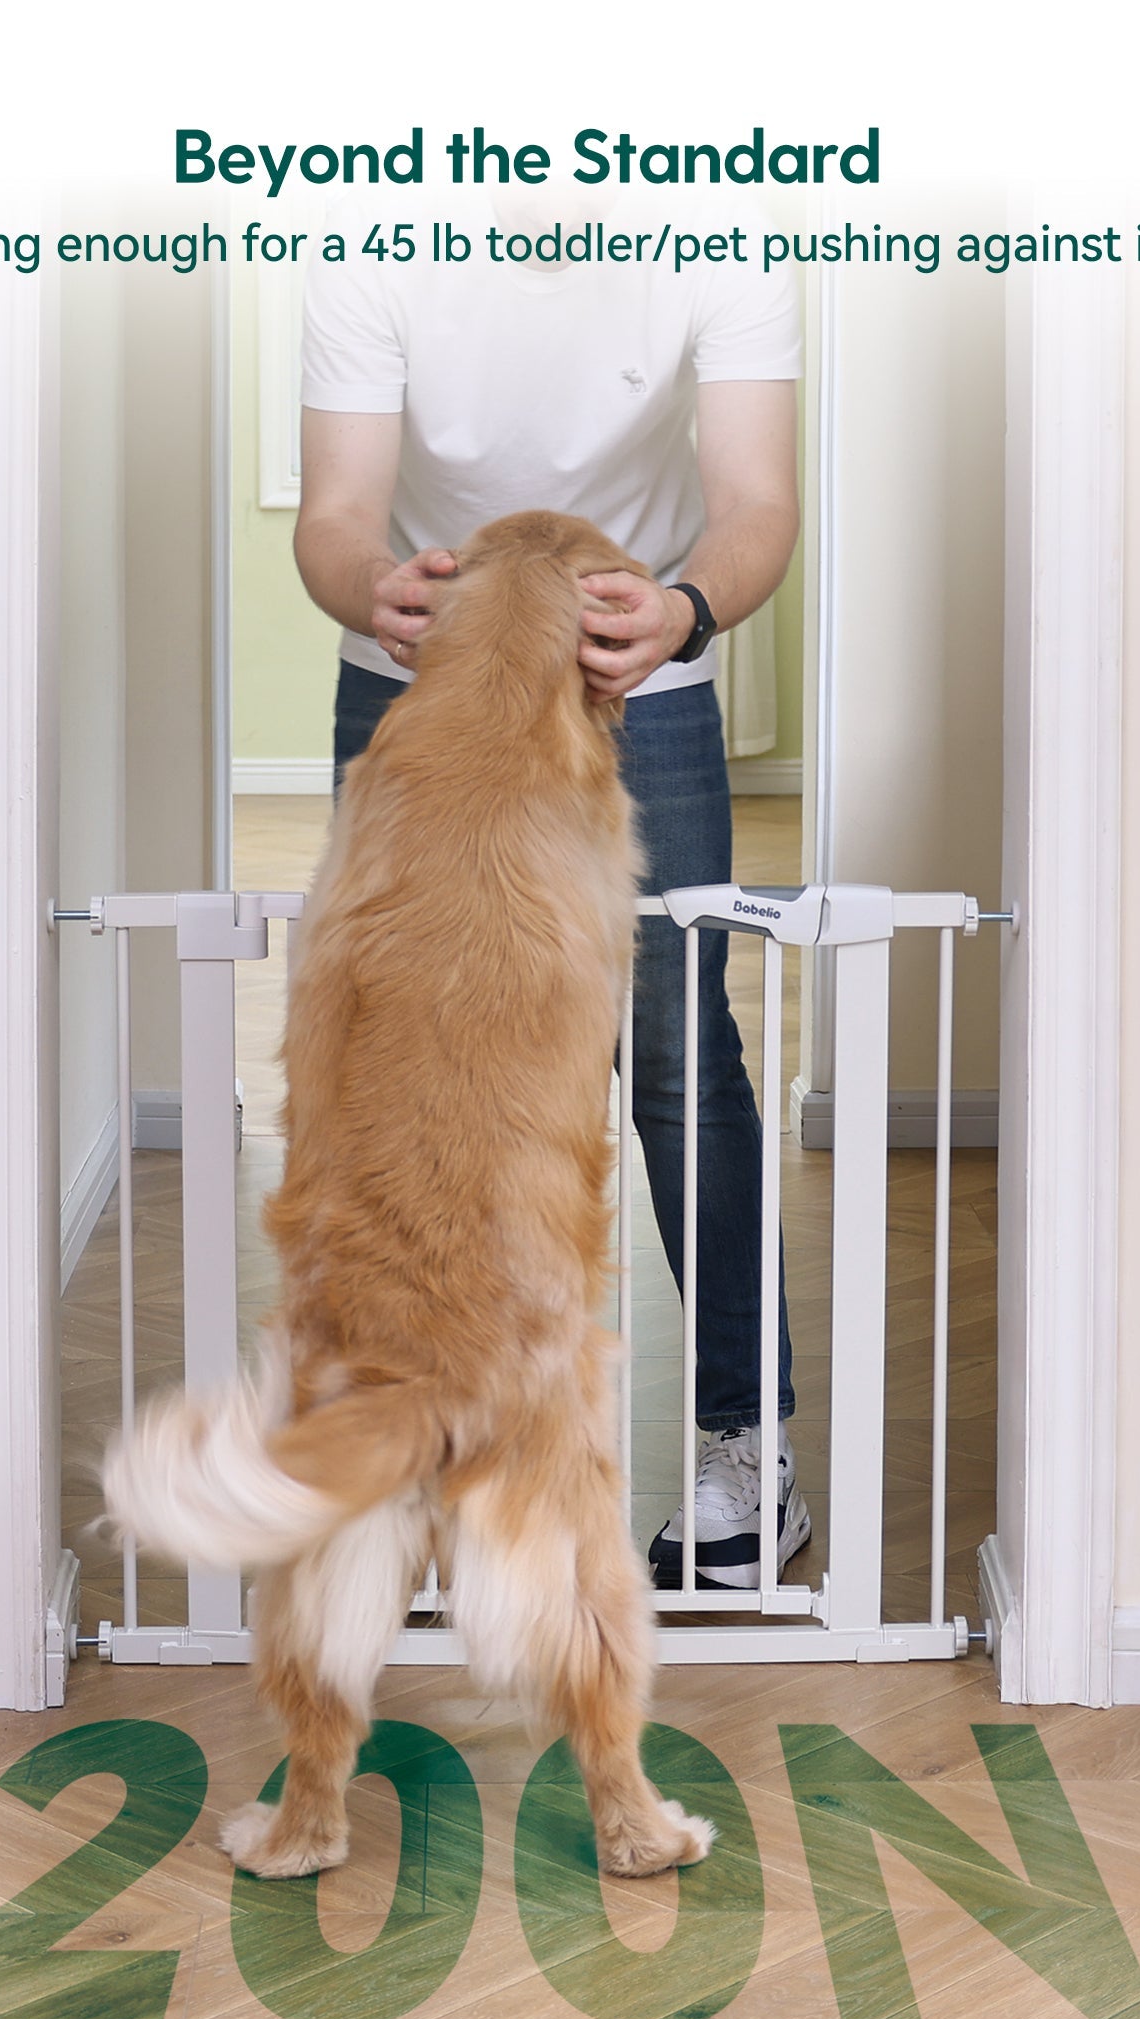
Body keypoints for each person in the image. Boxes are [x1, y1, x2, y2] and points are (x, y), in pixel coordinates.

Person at [290, 195, 807, 1589]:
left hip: (648, 689)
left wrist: (683, 610)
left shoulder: (729, 226)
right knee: (405, 1071)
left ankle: (745, 1438)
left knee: (680, 1064)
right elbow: (336, 516)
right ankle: (403, 1444)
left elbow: (758, 506)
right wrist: (373, 593)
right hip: (423, 684)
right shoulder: (364, 235)